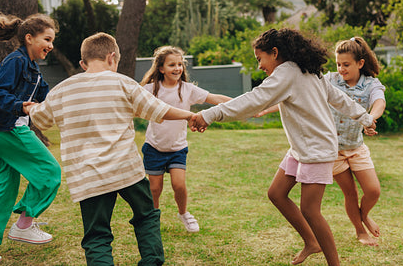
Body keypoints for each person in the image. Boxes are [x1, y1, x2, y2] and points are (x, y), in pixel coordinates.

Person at [190, 28, 377, 266]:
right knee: (276, 193)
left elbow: (252, 100)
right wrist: (366, 119)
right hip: (303, 147)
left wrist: (209, 114)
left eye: (260, 59)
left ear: (275, 52)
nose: (259, 66)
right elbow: (339, 98)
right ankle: (312, 242)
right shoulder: (305, 70)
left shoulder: (288, 73)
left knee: (310, 210)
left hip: (316, 150)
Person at [27, 33, 195, 266]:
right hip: (126, 170)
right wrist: (192, 116)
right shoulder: (123, 83)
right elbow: (160, 110)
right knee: (146, 217)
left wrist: (31, 108)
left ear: (83, 63)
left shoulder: (62, 90)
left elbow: (40, 120)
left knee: (97, 236)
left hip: (88, 177)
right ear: (112, 57)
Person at [0, 8, 62, 264]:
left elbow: (48, 97)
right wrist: (21, 106)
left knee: (3, 188)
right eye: (47, 39)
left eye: (52, 41)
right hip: (8, 128)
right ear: (29, 38)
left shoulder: (32, 68)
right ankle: (24, 224)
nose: (51, 45)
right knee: (50, 172)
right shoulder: (17, 61)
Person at [140, 46, 231, 233]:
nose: (177, 68)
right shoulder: (149, 90)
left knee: (179, 185)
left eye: (180, 64)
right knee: (154, 188)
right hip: (154, 147)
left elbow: (214, 98)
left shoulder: (187, 89)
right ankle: (153, 218)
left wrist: (243, 104)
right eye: (172, 64)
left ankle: (184, 213)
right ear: (161, 68)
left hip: (177, 148)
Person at [324, 37, 386, 246]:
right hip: (334, 150)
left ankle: (365, 215)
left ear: (360, 63)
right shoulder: (329, 80)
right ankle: (360, 232)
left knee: (373, 191)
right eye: (338, 64)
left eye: (346, 65)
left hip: (356, 147)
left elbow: (379, 101)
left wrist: (371, 118)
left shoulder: (370, 83)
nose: (341, 69)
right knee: (350, 193)